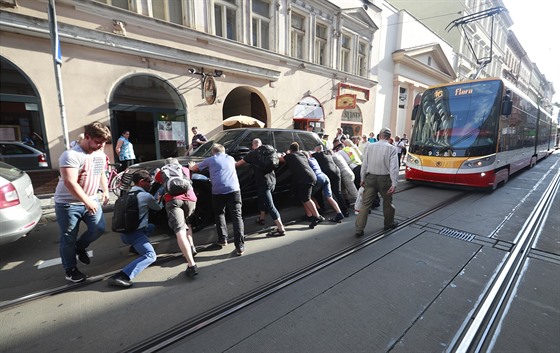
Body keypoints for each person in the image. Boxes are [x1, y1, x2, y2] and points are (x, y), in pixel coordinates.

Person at [54, 122, 111, 283]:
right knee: (68, 237)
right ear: (87, 137)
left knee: (98, 228)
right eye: (98, 142)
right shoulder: (71, 155)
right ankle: (70, 269)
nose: (101, 145)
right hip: (68, 204)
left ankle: (80, 247)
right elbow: (69, 182)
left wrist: (105, 190)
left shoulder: (99, 154)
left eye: (104, 142)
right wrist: (86, 201)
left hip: (91, 199)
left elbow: (100, 173)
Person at [108, 170, 163, 287]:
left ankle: (135, 248)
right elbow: (158, 208)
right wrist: (158, 199)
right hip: (135, 235)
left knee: (151, 227)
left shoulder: (126, 195)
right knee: (150, 255)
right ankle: (121, 276)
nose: (150, 184)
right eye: (149, 182)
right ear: (141, 182)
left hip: (124, 234)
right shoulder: (146, 196)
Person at [189, 144, 246, 255]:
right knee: (237, 217)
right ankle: (240, 246)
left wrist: (191, 165)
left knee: (219, 214)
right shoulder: (230, 158)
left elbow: (194, 168)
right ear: (224, 151)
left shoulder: (210, 160)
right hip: (234, 190)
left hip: (218, 192)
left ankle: (222, 239)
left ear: (213, 152)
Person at [154, 158, 200, 276]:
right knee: (187, 222)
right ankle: (191, 246)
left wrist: (157, 173)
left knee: (180, 231)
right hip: (191, 199)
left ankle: (191, 265)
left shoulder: (162, 172)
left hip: (174, 201)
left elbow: (157, 181)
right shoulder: (184, 169)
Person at [235, 138, 287, 237]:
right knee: (262, 199)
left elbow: (238, 164)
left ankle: (281, 228)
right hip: (272, 181)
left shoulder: (252, 154)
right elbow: (279, 158)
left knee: (270, 206)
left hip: (263, 183)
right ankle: (261, 218)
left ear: (252, 145)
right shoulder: (269, 151)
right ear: (261, 144)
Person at [355, 127, 400, 237]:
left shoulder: (370, 146)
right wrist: (394, 184)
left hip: (370, 178)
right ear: (389, 137)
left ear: (379, 136)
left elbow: (364, 164)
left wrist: (362, 179)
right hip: (385, 179)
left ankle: (359, 229)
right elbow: (394, 168)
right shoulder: (392, 148)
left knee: (365, 205)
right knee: (387, 202)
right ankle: (388, 223)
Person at [278, 142, 323, 229]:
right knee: (305, 197)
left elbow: (280, 160)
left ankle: (318, 216)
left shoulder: (290, 156)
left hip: (305, 178)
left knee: (306, 198)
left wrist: (286, 154)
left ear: (291, 150)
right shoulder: (302, 155)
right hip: (311, 176)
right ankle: (313, 218)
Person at [306, 151, 345, 223]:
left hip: (318, 178)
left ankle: (318, 211)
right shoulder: (313, 159)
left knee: (308, 196)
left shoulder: (307, 162)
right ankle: (339, 213)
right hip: (324, 177)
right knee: (329, 197)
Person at [312, 144, 349, 217]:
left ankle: (321, 208)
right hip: (336, 171)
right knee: (338, 192)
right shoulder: (328, 153)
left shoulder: (316, 155)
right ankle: (345, 210)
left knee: (319, 191)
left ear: (316, 150)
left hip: (327, 173)